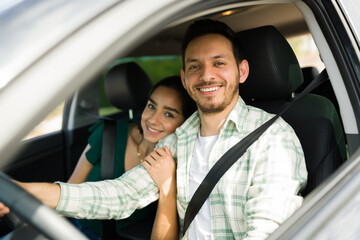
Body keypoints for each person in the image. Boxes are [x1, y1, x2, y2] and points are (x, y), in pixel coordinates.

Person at [0, 19, 307, 239]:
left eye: (219, 63)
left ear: (242, 71)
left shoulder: (273, 138)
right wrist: (25, 192)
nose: (206, 75)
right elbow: (120, 195)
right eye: (194, 66)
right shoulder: (177, 141)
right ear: (185, 79)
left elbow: (269, 230)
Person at [66, 75, 195, 239]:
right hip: (75, 228)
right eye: (151, 106)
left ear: (185, 123)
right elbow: (72, 185)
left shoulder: (181, 163)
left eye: (169, 114)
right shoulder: (108, 134)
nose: (153, 120)